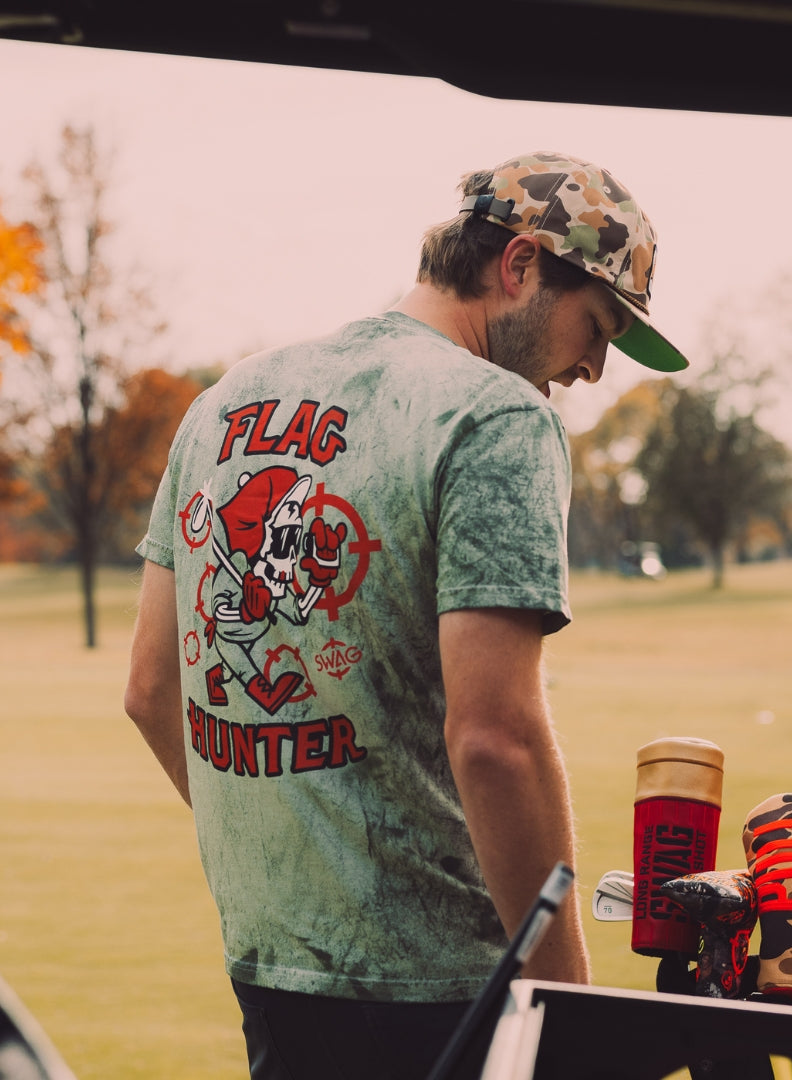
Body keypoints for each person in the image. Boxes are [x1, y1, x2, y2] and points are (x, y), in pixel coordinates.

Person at [124, 151, 689, 1079]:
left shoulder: (225, 401)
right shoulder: (496, 416)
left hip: (273, 971)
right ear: (519, 268)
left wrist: (298, 856)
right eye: (597, 325)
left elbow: (153, 690)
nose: (594, 367)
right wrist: (568, 1014)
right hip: (445, 999)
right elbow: (495, 738)